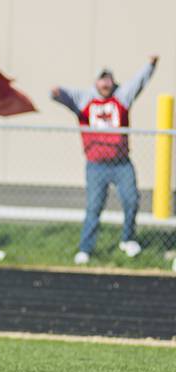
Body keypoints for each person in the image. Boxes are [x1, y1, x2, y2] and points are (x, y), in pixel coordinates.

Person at [51, 56, 158, 264]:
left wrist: (150, 65)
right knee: (94, 207)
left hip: (121, 163)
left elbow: (138, 82)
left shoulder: (121, 97)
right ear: (96, 82)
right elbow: (64, 96)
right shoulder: (85, 99)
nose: (105, 84)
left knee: (131, 200)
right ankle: (86, 248)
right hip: (96, 165)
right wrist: (56, 94)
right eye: (102, 79)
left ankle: (128, 239)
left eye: (108, 79)